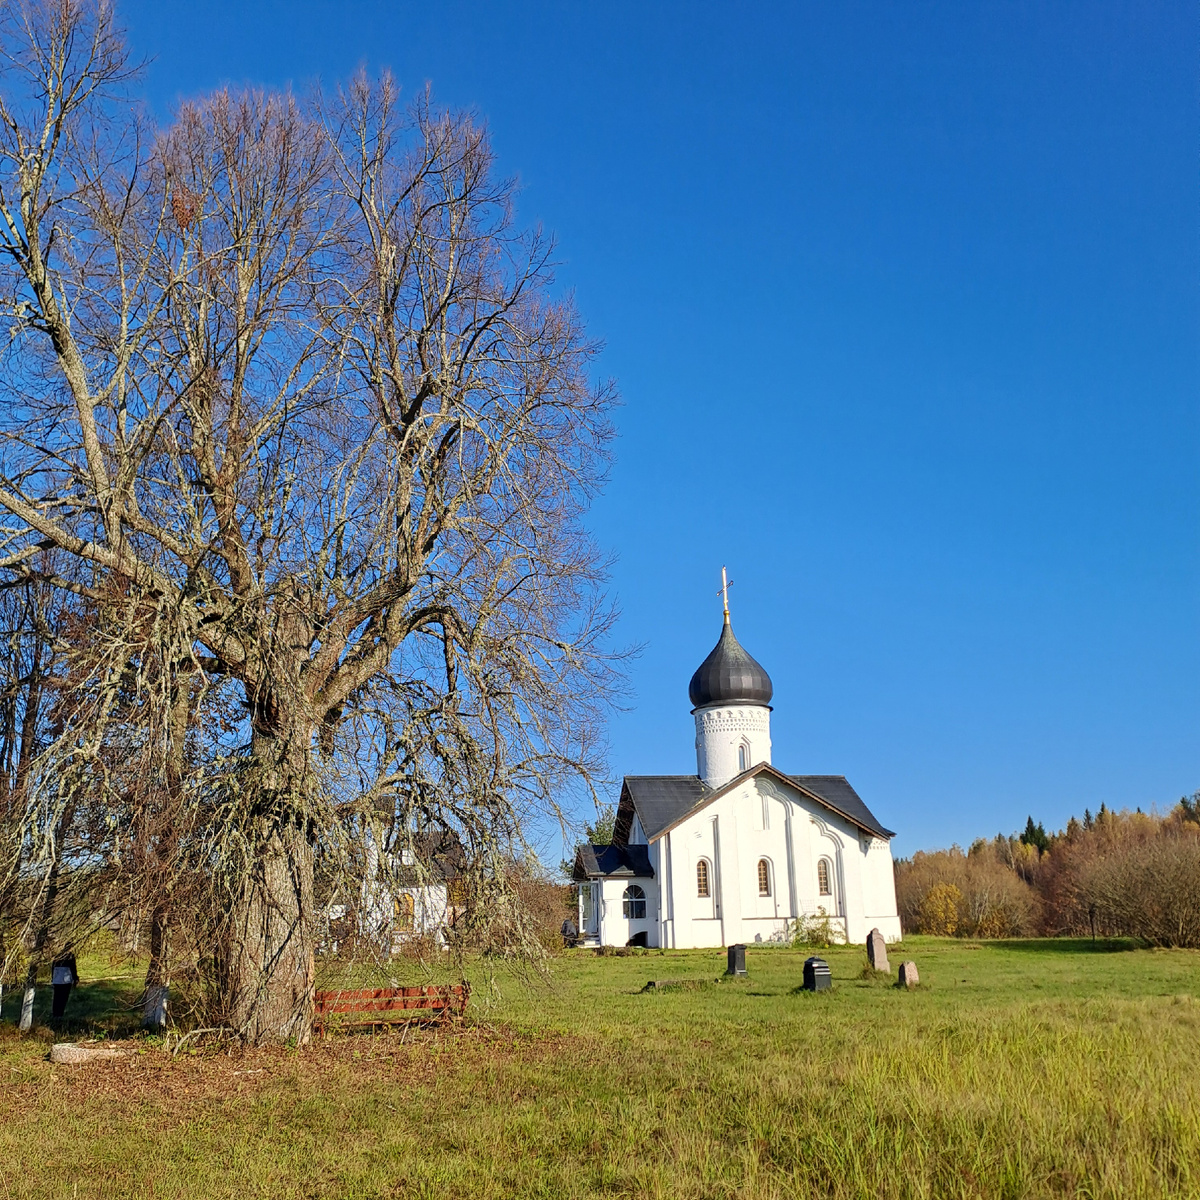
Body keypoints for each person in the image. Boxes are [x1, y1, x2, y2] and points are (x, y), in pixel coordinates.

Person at [50, 951, 78, 1024]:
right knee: (63, 998)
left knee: (57, 997)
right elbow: (73, 967)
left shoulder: (56, 954)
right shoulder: (70, 955)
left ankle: (55, 1014)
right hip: (66, 978)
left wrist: (53, 977)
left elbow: (53, 967)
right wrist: (75, 977)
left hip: (57, 978)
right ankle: (60, 1014)